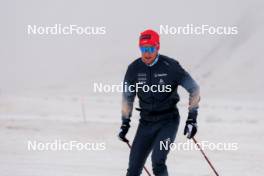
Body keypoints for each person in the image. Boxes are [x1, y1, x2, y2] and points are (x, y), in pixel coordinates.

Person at [118, 29, 200, 176]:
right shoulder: (134, 69)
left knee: (158, 161)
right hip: (146, 123)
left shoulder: (171, 66)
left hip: (168, 122)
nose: (146, 53)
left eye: (150, 49)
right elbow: (127, 98)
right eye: (143, 49)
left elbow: (194, 89)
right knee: (133, 168)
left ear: (157, 47)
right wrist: (125, 123)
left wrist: (192, 119)